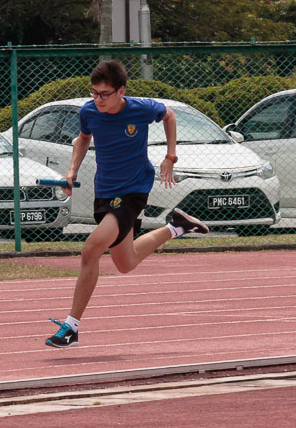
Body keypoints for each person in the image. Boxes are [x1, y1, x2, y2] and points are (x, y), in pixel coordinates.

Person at [45, 60, 208, 348]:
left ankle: (71, 328)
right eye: (94, 93)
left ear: (121, 91)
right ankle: (177, 227)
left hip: (133, 191)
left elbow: (169, 115)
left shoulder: (140, 109)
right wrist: (71, 171)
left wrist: (170, 156)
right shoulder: (89, 112)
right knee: (126, 262)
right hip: (104, 191)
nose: (98, 99)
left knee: (90, 249)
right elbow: (83, 139)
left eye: (104, 94)